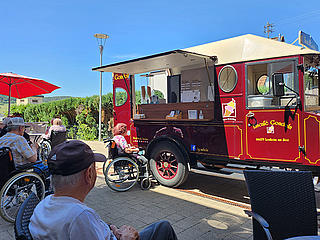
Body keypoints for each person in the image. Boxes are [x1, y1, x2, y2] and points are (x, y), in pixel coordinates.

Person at [29, 140, 178, 240]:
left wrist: (110, 229)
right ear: (89, 174)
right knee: (163, 228)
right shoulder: (79, 216)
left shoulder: (44, 204)